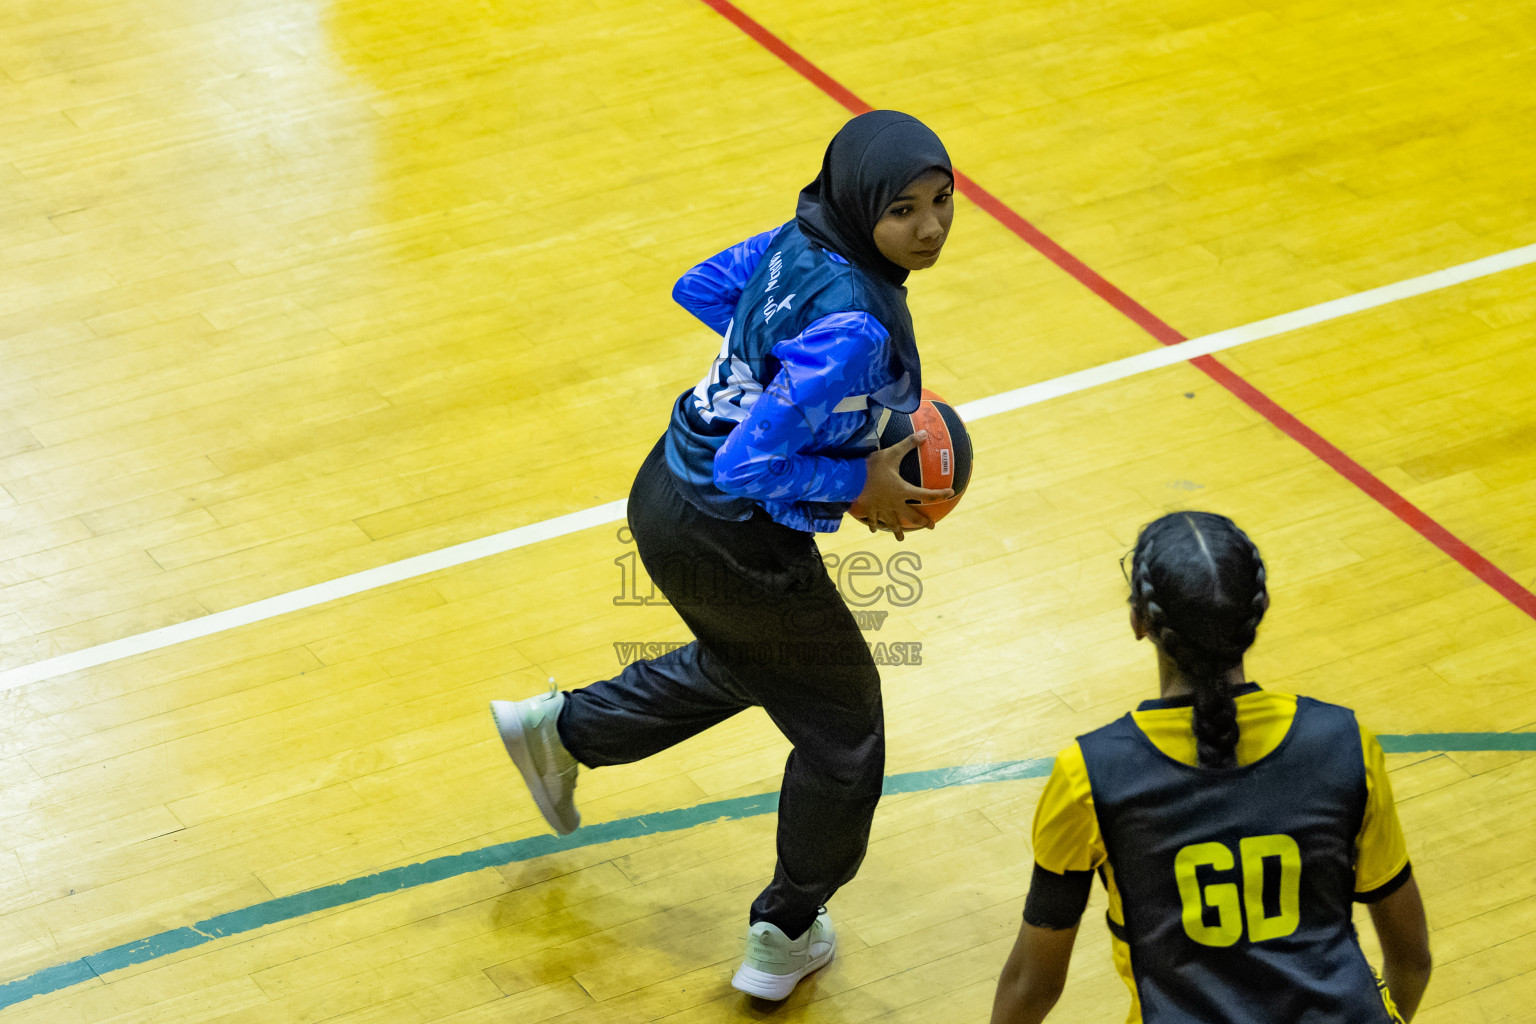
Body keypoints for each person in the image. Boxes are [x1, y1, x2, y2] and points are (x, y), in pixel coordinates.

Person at [490, 110, 956, 1000]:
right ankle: (786, 930)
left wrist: (775, 362)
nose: (928, 228)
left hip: (663, 491)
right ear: (863, 208)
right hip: (730, 531)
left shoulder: (798, 238)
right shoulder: (857, 326)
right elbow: (753, 463)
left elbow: (699, 285)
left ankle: (564, 730)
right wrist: (858, 481)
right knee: (845, 735)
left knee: (769, 664)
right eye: (902, 211)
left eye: (942, 202)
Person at [991, 511, 1433, 1024]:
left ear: (1139, 621)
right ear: (1259, 611)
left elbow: (1033, 984)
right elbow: (1412, 959)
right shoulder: (1343, 743)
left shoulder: (1089, 775)